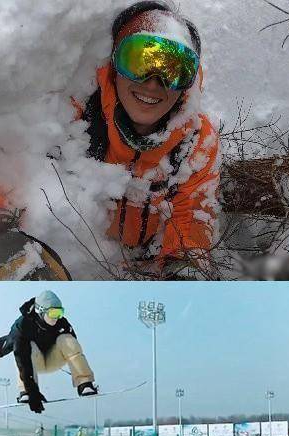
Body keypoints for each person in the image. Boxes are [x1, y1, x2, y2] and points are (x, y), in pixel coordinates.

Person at [76, 1, 220, 275]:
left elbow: (191, 216)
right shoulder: (77, 118)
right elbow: (10, 177)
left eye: (173, 70)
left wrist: (183, 269)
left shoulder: (196, 141)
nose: (154, 83)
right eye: (138, 61)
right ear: (114, 65)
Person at [0, 290, 97, 413]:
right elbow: (20, 357)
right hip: (33, 362)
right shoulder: (23, 324)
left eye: (60, 312)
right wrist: (32, 391)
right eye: (53, 313)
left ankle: (84, 384)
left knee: (67, 339)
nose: (57, 318)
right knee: (25, 347)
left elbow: (74, 349)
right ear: (41, 310)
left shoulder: (62, 323)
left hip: (53, 359)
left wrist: (74, 365)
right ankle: (24, 391)